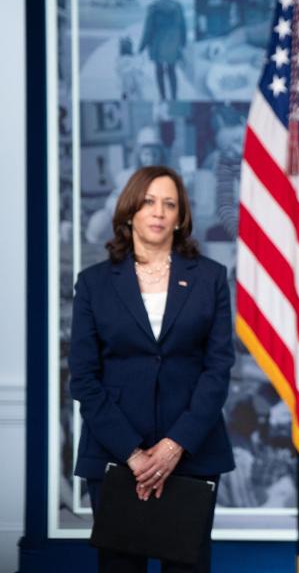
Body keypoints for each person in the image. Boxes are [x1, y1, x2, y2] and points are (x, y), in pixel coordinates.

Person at [69, 165, 235, 573]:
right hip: (116, 455)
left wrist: (173, 445)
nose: (159, 212)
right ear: (129, 211)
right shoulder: (93, 283)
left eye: (170, 204)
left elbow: (218, 368)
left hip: (191, 452)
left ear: (180, 217)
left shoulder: (210, 278)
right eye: (148, 202)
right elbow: (84, 377)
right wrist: (134, 454)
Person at [139, 0, 187, 101]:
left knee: (159, 71)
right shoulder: (178, 6)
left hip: (157, 44)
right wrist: (183, 43)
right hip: (173, 43)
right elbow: (183, 26)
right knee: (172, 70)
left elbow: (148, 30)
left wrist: (141, 47)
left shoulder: (153, 7)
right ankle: (174, 97)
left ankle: (163, 97)